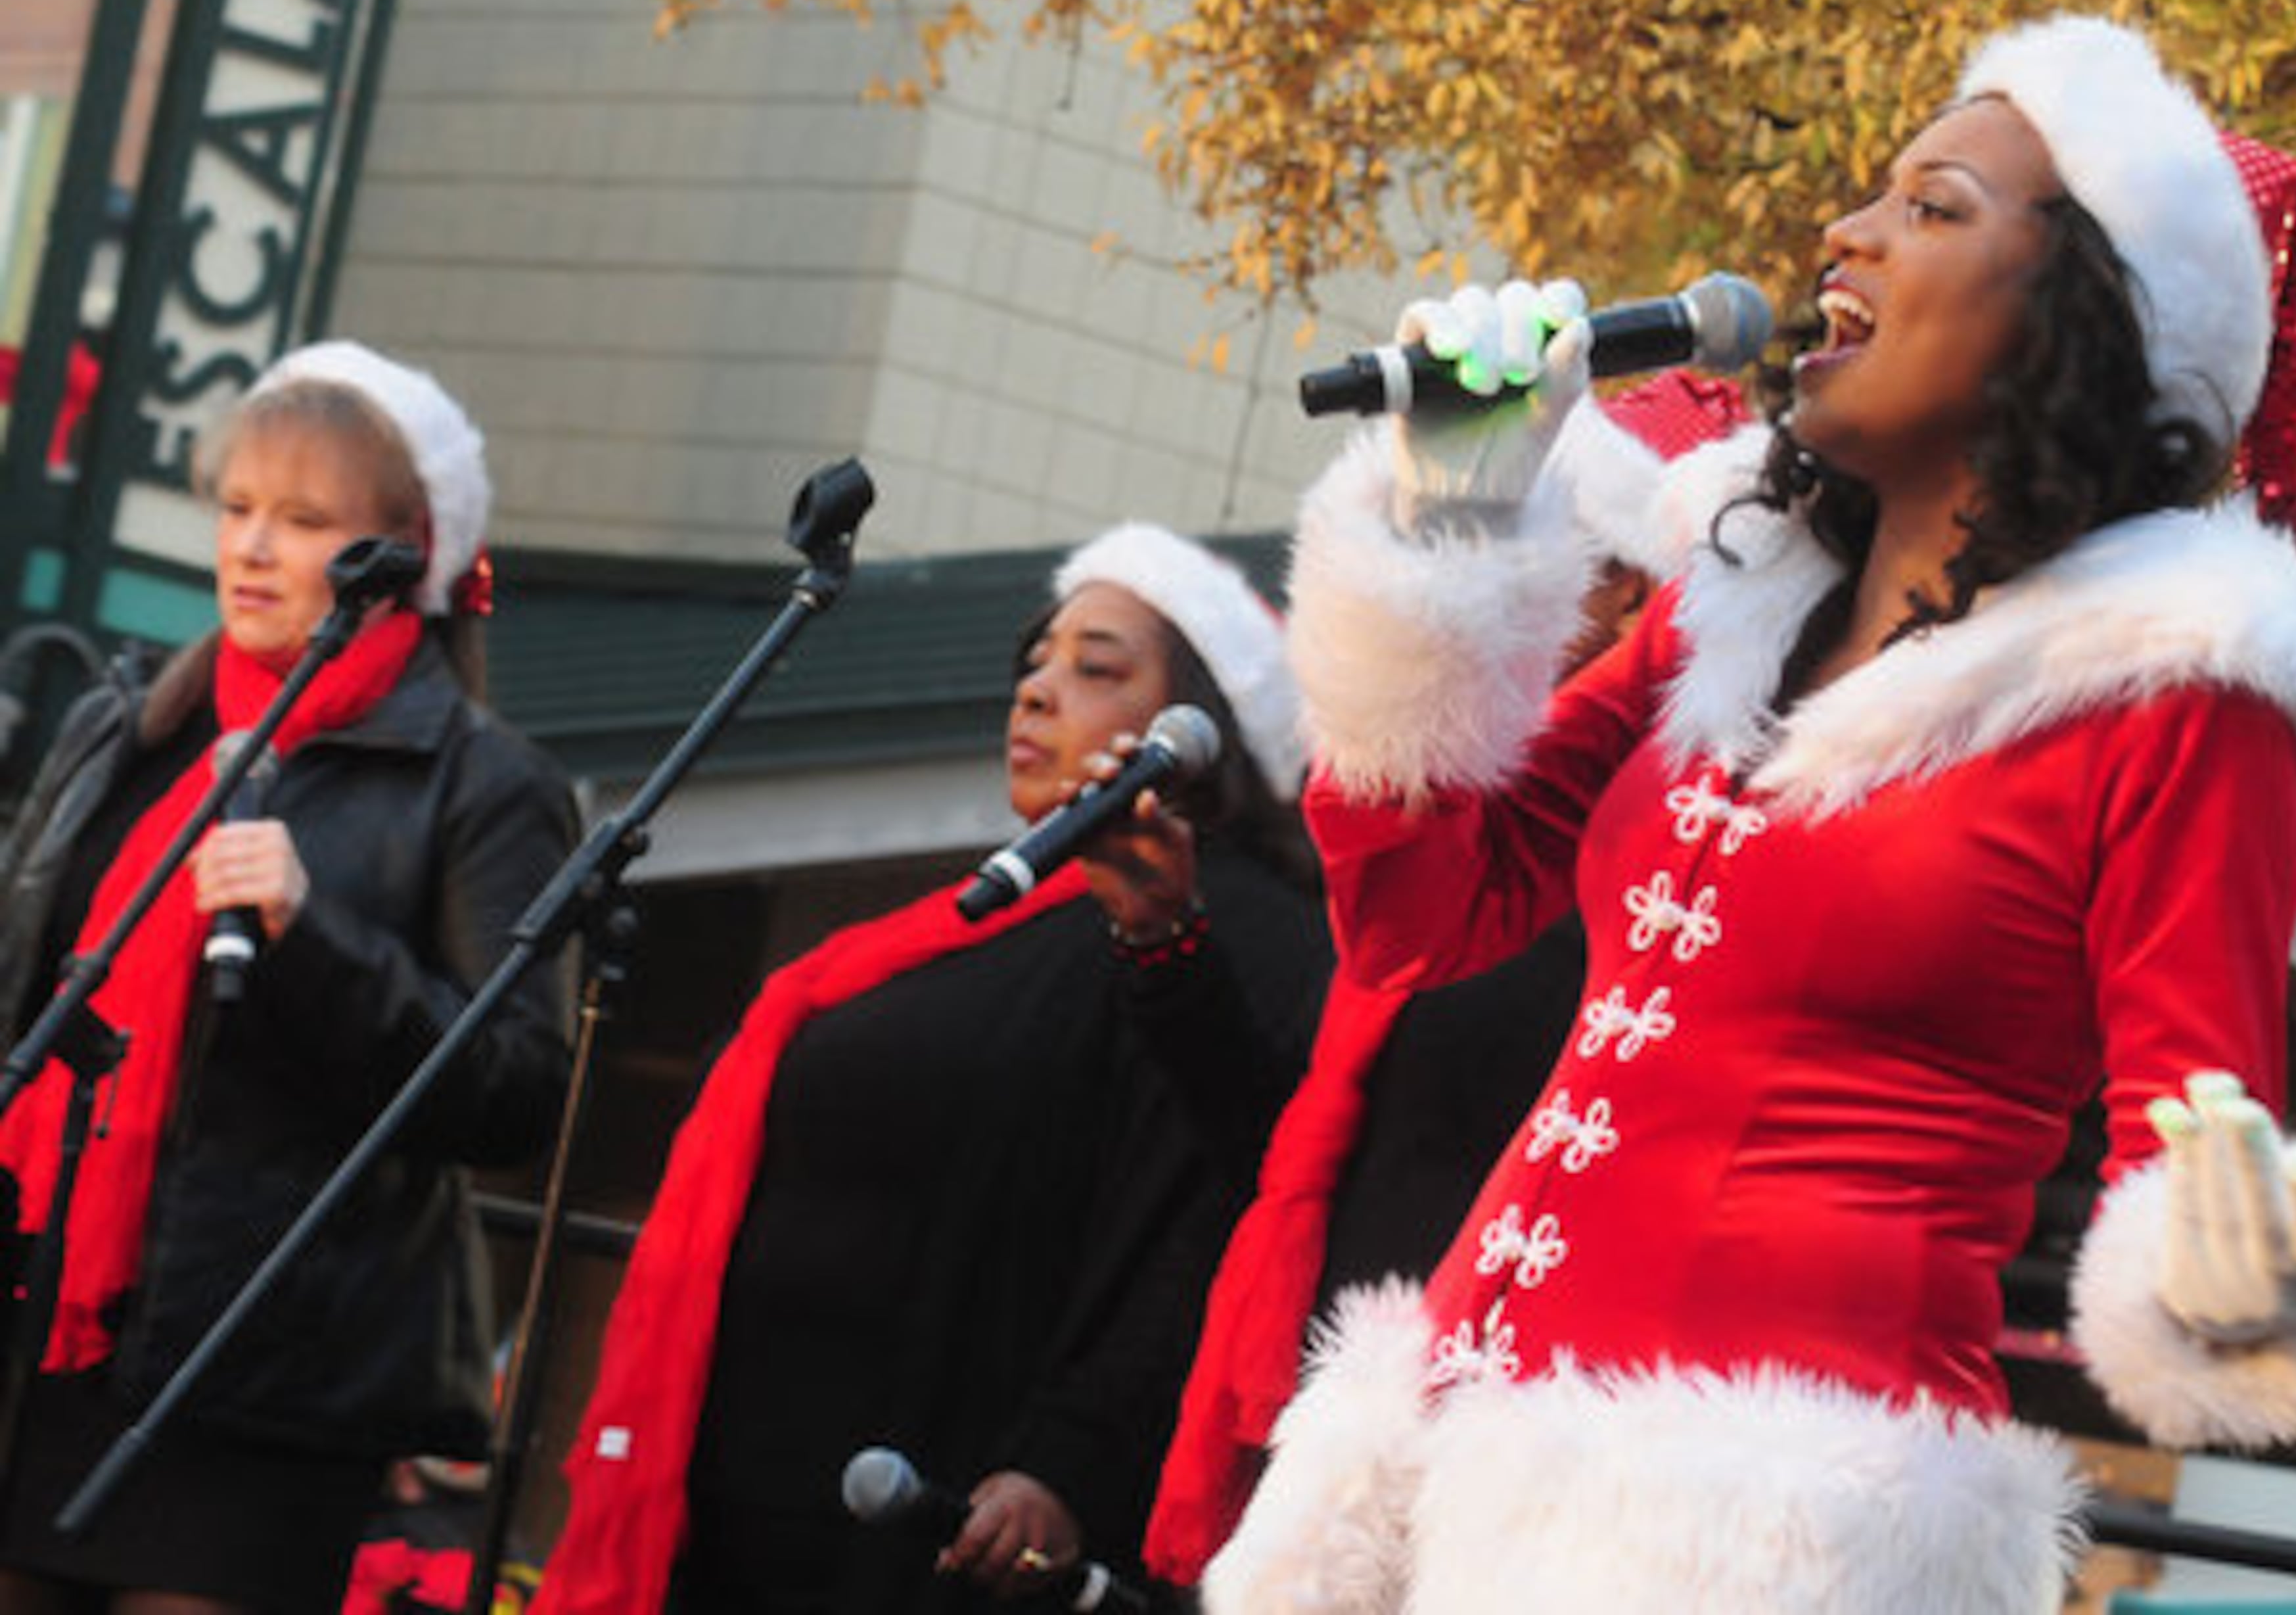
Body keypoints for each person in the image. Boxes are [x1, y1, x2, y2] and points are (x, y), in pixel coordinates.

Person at [1200, 15, 2296, 1615]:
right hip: (1434, 1468)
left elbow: (2197, 1153)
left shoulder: (2181, 696)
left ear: (2085, 320)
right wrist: (1450, 531)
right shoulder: (1730, 604)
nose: (1843, 235)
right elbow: (1421, 914)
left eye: (1933, 206)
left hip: (1777, 1539)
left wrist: (2249, 1264)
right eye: (1871, 198)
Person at [531, 523, 1331, 1615]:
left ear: (1203, 730)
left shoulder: (1234, 938)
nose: (1038, 693)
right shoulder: (992, 912)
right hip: (770, 1481)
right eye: (1035, 663)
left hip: (939, 1504)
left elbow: (1208, 1226)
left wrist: (1072, 1457)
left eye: (1096, 668)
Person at [1140, 375, 1749, 1585]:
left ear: (1623, 587)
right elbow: (1289, 1139)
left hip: (1506, 1448)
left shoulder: (1645, 850)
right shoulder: (1456, 824)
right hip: (1335, 1414)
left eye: (1526, 538)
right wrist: (1162, 951)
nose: (1487, 577)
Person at [0, 341, 577, 1613]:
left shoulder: (483, 787)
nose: (252, 548)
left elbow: (516, 1095)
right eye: (240, 508)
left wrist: (313, 939)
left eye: (305, 520)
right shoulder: (129, 724)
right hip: (41, 1328)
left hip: (258, 1375)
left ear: (404, 556)